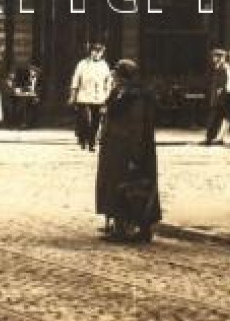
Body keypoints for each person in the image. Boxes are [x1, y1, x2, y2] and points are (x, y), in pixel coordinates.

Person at [96, 59, 161, 243]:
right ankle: (119, 224)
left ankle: (136, 227)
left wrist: (135, 155)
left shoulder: (137, 97)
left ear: (125, 76)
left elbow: (137, 127)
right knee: (116, 186)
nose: (114, 76)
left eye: (117, 73)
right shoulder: (119, 93)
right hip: (115, 148)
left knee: (134, 187)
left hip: (128, 149)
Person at [69, 43, 111, 151]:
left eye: (99, 52)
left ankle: (92, 143)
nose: (97, 54)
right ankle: (83, 139)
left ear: (102, 53)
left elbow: (108, 82)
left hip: (99, 98)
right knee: (85, 120)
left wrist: (107, 96)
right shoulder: (82, 64)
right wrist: (73, 95)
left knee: (96, 122)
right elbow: (75, 79)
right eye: (95, 51)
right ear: (91, 52)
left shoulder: (104, 65)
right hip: (84, 97)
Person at [202, 49, 229, 145]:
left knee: (215, 118)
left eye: (215, 56)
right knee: (218, 118)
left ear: (220, 57)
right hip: (217, 97)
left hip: (220, 98)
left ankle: (210, 138)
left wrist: (218, 95)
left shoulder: (224, 67)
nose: (213, 58)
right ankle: (212, 137)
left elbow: (223, 83)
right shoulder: (217, 67)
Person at [10, 58, 42, 130]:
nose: (33, 71)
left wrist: (36, 95)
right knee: (22, 103)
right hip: (26, 93)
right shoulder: (24, 73)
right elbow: (20, 84)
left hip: (35, 94)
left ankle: (28, 122)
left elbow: (40, 87)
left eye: (34, 70)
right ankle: (22, 122)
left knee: (28, 103)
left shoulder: (39, 76)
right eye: (31, 69)